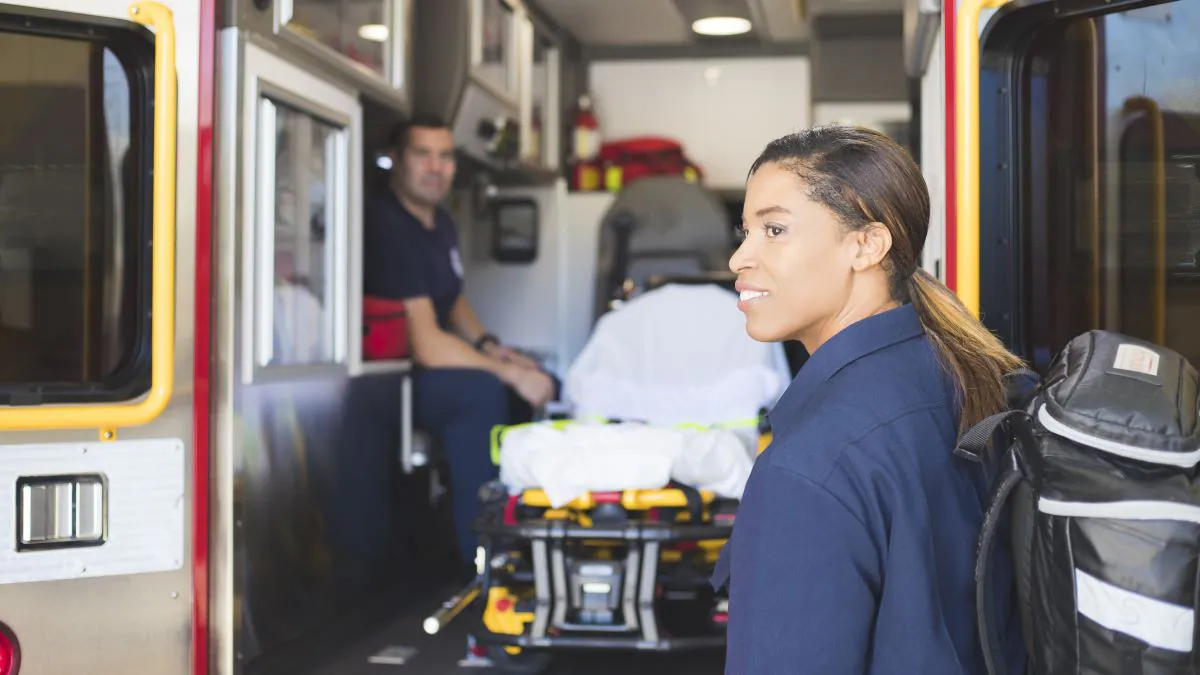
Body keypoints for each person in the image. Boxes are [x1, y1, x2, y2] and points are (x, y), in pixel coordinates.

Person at [712, 125, 1027, 674]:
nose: (741, 257)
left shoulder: (807, 468)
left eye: (775, 230)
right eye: (746, 231)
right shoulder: (956, 378)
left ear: (867, 245)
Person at [363, 113, 557, 572]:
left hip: (423, 366)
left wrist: (492, 347)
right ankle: (485, 558)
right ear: (396, 161)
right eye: (422, 154)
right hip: (384, 382)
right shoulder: (386, 225)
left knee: (536, 379)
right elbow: (427, 343)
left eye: (445, 156)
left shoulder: (441, 224)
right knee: (482, 393)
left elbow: (453, 303)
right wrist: (505, 373)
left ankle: (518, 527)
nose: (436, 167)